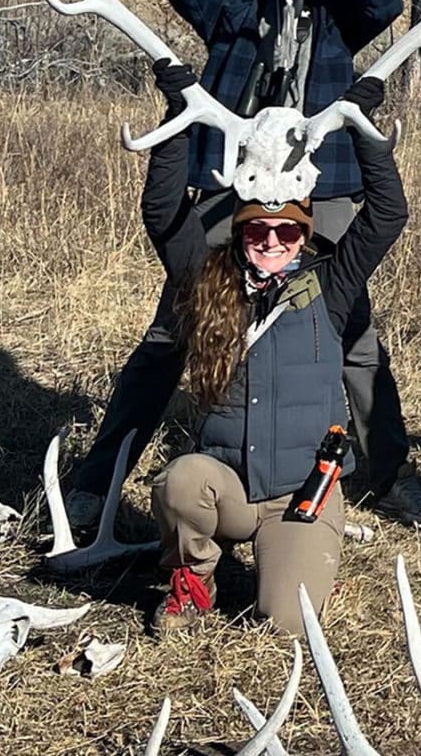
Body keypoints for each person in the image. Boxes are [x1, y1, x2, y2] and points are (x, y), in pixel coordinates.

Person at [69, 0, 421, 528]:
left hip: (323, 186)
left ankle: (389, 475)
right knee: (174, 327)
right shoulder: (232, 5)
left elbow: (386, 1)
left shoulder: (338, 11)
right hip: (225, 184)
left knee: (351, 332)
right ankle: (100, 476)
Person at [142, 61, 403, 636]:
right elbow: (164, 214)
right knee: (181, 482)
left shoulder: (330, 290)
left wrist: (363, 128)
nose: (271, 241)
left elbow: (387, 216)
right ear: (238, 230)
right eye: (257, 229)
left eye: (287, 231)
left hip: (302, 492)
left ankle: (294, 558)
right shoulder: (205, 281)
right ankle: (192, 578)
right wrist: (178, 121)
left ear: (305, 235)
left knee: (284, 623)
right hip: (228, 485)